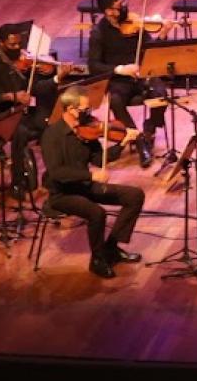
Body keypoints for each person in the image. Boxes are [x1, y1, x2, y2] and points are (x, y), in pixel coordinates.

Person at [39, 87, 146, 279]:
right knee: (97, 213)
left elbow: (99, 159)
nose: (89, 114)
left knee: (134, 195)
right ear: (70, 109)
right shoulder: (52, 135)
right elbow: (57, 172)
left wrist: (121, 144)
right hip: (63, 193)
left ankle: (111, 248)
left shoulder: (86, 132)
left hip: (85, 188)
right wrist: (91, 176)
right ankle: (97, 260)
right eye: (84, 110)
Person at [0, 24, 66, 197]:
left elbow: (36, 88)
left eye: (19, 44)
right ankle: (17, 181)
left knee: (50, 124)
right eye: (12, 45)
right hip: (1, 116)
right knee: (20, 131)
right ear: (0, 43)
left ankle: (53, 176)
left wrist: (56, 78)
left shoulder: (23, 63)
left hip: (23, 111)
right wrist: (11, 96)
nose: (18, 49)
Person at [86, 0, 167, 168]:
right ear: (108, 11)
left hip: (142, 74)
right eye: (119, 6)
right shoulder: (99, 33)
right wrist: (121, 69)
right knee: (115, 100)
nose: (124, 7)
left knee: (161, 94)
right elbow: (93, 66)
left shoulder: (135, 23)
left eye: (124, 2)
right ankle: (138, 141)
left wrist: (162, 34)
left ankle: (149, 130)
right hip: (119, 79)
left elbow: (149, 48)